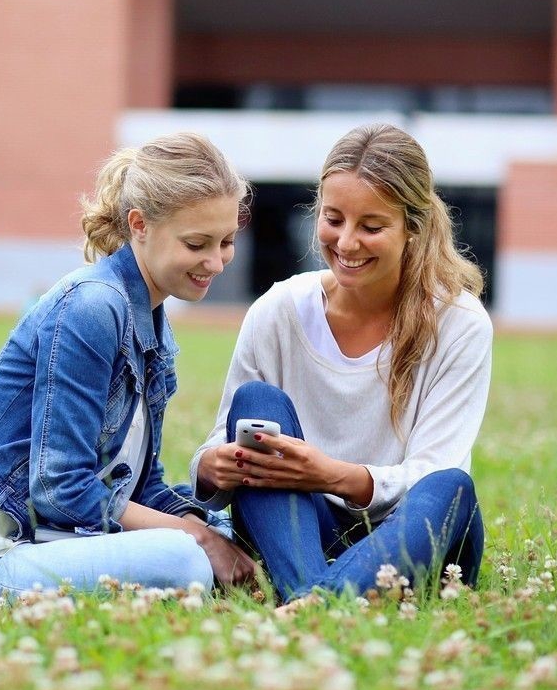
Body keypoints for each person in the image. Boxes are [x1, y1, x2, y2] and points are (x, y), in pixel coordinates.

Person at [0, 131, 257, 603]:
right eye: (197, 243)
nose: (216, 262)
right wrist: (197, 538)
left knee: (233, 531)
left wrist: (212, 525)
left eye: (226, 242)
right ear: (139, 224)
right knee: (182, 558)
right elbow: (60, 489)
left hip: (44, 545)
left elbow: (140, 487)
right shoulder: (92, 307)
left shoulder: (152, 322)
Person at [190, 123, 489, 610]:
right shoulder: (280, 308)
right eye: (334, 219)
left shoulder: (458, 323)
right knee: (254, 405)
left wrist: (332, 475)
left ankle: (313, 600)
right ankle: (318, 602)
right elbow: (216, 444)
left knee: (451, 486)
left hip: (412, 539)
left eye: (371, 227)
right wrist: (211, 466)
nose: (347, 243)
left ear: (413, 229)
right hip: (303, 532)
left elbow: (434, 470)